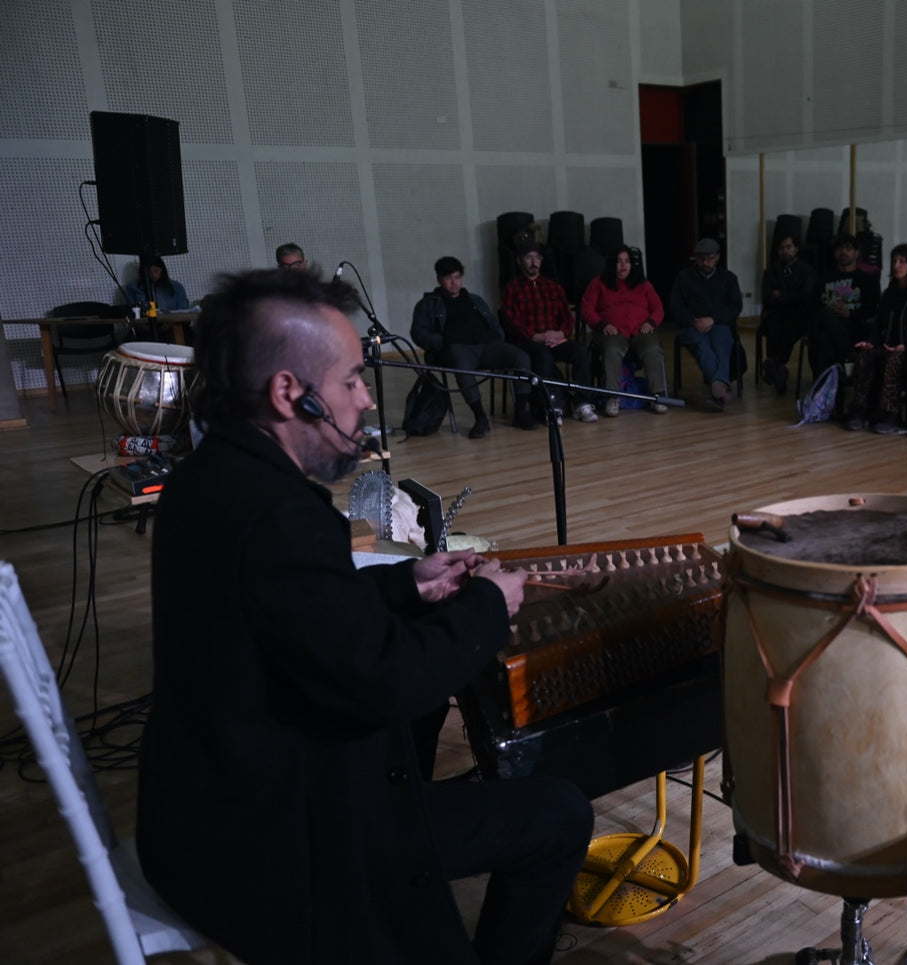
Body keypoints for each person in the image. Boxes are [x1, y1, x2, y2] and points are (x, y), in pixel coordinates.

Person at [136, 268, 593, 965]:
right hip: (272, 841)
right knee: (558, 812)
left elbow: (289, 618)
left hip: (211, 806)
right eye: (350, 380)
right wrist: (485, 603)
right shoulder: (278, 515)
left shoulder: (211, 476)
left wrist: (408, 586)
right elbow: (386, 681)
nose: (362, 401)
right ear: (291, 393)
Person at [411, 256, 541, 438]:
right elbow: (418, 333)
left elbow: (494, 324)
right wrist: (442, 342)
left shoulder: (474, 300)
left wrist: (498, 338)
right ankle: (480, 417)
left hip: (487, 346)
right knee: (461, 363)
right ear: (439, 280)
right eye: (448, 278)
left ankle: (520, 412)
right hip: (456, 349)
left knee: (521, 357)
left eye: (456, 277)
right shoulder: (428, 304)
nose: (453, 283)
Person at [843, 243, 907, 435]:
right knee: (865, 354)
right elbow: (879, 325)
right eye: (894, 261)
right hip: (887, 346)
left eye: (902, 261)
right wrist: (871, 342)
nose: (897, 265)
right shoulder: (888, 293)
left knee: (894, 359)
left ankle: (891, 413)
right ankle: (860, 409)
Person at [501, 238, 596, 423]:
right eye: (529, 257)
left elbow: (567, 316)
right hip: (527, 342)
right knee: (542, 354)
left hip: (554, 339)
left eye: (537, 257)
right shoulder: (511, 289)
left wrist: (562, 333)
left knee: (580, 351)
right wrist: (534, 336)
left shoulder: (553, 287)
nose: (534, 262)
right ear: (519, 260)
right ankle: (552, 406)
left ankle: (582, 403)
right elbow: (510, 321)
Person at [580, 246, 668, 416]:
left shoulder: (643, 284)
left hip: (640, 330)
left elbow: (658, 308)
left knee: (652, 349)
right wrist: (602, 325)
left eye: (627, 262)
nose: (623, 266)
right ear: (612, 264)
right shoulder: (598, 283)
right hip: (611, 331)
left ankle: (658, 396)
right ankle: (613, 397)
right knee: (612, 350)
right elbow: (586, 309)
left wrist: (651, 322)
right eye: (619, 262)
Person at [669, 237, 743, 411]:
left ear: (717, 257)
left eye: (709, 258)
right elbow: (674, 307)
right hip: (692, 325)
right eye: (701, 258)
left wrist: (713, 319)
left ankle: (718, 389)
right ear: (695, 258)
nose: (705, 262)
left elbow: (735, 306)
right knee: (702, 348)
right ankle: (721, 387)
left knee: (722, 346)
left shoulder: (728, 278)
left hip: (719, 324)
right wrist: (693, 320)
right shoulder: (684, 278)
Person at [810, 233, 881, 378]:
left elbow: (872, 311)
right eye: (839, 248)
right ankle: (849, 356)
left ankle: (824, 391)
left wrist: (849, 313)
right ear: (835, 253)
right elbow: (813, 306)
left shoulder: (867, 280)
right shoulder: (823, 279)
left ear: (856, 253)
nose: (843, 252)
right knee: (825, 330)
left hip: (854, 326)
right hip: (827, 327)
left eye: (848, 248)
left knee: (825, 339)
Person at [759, 232, 817, 396]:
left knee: (791, 323)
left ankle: (773, 365)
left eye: (788, 247)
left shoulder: (807, 270)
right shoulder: (771, 271)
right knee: (772, 322)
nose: (785, 251)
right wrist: (789, 296)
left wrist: (781, 296)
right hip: (776, 313)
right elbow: (766, 297)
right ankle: (777, 369)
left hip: (798, 315)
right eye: (781, 248)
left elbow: (806, 297)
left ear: (796, 249)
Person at [123, 253, 189, 312]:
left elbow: (184, 312)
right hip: (144, 324)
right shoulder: (133, 287)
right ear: (143, 272)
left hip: (172, 324)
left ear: (162, 270)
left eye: (156, 270)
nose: (153, 275)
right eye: (149, 272)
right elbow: (131, 313)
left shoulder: (176, 287)